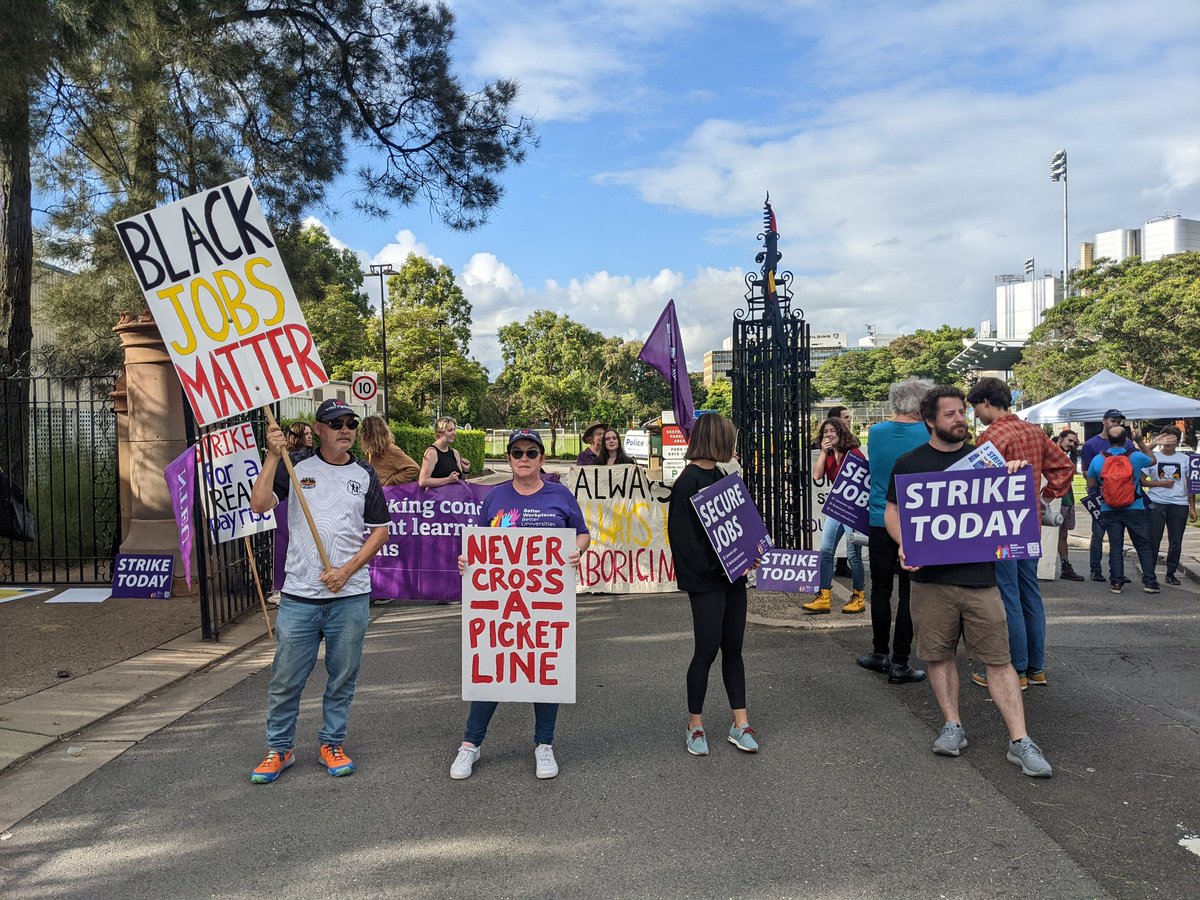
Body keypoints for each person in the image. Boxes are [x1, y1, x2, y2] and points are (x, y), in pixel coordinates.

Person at [886, 386, 1051, 778]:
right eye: (951, 414)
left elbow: (1011, 505)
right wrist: (904, 543)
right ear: (930, 420)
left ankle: (1020, 740)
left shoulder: (986, 460)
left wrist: (1013, 475)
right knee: (938, 655)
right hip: (930, 580)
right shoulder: (909, 463)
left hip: (981, 580)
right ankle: (952, 725)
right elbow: (893, 510)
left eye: (962, 412)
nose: (961, 419)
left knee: (999, 660)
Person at [247, 399, 390, 784]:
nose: (345, 429)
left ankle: (332, 743)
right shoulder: (295, 465)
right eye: (335, 423)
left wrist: (346, 572)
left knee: (343, 676)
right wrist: (272, 456)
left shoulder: (365, 473)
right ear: (319, 428)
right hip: (300, 596)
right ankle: (280, 748)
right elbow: (259, 504)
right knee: (286, 679)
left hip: (350, 596)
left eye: (350, 423)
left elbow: (380, 531)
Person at [449, 428, 591, 781]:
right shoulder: (495, 497)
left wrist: (578, 550)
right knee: (492, 666)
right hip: (501, 606)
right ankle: (471, 744)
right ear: (509, 458)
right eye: (517, 453)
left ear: (542, 458)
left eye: (531, 453)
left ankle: (544, 744)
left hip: (545, 603)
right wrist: (468, 561)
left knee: (546, 669)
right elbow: (479, 543)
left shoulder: (560, 494)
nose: (524, 459)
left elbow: (582, 532)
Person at [966, 377, 1073, 691]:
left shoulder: (991, 436)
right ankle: (1036, 667)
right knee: (1030, 593)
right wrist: (1045, 497)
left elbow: (976, 484)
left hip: (1000, 525)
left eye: (976, 407)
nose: (976, 414)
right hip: (1029, 524)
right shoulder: (1035, 431)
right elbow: (1064, 467)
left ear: (987, 402)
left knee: (1008, 595)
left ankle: (1016, 669)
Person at [667, 412, 761, 757]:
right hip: (707, 581)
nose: (733, 444)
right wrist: (720, 567)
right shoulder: (687, 482)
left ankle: (741, 723)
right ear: (717, 440)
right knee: (706, 651)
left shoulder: (721, 474)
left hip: (733, 577)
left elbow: (738, 525)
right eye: (729, 438)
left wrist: (751, 553)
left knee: (734, 649)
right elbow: (684, 543)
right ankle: (695, 724)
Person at [856, 377, 933, 685]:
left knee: (880, 589)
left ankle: (879, 652)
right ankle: (901, 661)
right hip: (915, 522)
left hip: (878, 518)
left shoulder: (876, 432)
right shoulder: (927, 433)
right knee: (908, 593)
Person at [802, 417, 867, 616]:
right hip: (837, 508)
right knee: (826, 550)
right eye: (825, 431)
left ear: (841, 432)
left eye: (832, 431)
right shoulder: (829, 454)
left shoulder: (854, 453)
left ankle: (858, 596)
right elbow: (817, 476)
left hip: (852, 509)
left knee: (853, 555)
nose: (829, 434)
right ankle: (824, 597)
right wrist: (823, 452)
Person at [1086, 425, 1159, 594]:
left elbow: (1091, 483)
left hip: (1109, 508)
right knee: (1143, 545)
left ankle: (1116, 583)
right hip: (1135, 506)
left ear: (1108, 440)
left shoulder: (1098, 459)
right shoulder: (1135, 457)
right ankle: (1150, 582)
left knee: (1115, 546)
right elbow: (1153, 460)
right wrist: (1140, 441)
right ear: (1126, 440)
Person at [1080, 410, 1136, 583]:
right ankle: (1095, 569)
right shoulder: (1091, 444)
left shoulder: (1127, 443)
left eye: (1119, 422)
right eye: (1113, 421)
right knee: (1098, 534)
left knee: (1117, 536)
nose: (1116, 424)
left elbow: (1134, 464)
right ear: (1104, 421)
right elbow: (1085, 472)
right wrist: (1104, 479)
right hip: (1099, 496)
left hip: (1122, 496)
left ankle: (1117, 571)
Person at [1143, 426, 1198, 586]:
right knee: (1153, 539)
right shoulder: (1153, 457)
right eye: (1165, 438)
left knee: (1176, 540)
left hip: (1179, 503)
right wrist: (1158, 483)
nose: (1168, 442)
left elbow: (1191, 485)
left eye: (1172, 439)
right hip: (1157, 501)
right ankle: (1149, 573)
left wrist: (1192, 507)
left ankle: (1171, 573)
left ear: (1178, 441)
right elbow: (1141, 480)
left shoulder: (1185, 459)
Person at [1052, 430, 1086, 581]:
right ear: (1060, 438)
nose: (1072, 444)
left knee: (1063, 534)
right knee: (1049, 534)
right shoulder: (1051, 454)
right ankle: (1041, 567)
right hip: (1054, 500)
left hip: (1067, 499)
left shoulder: (1068, 456)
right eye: (1070, 441)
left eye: (1075, 442)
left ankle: (1065, 566)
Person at [358, 416, 420, 486]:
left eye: (364, 430)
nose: (361, 432)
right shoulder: (369, 452)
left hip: (389, 491)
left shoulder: (392, 450)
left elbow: (414, 468)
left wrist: (392, 481)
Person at [419, 416, 472, 488]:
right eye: (450, 430)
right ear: (439, 433)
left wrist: (465, 471)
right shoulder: (432, 453)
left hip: (455, 494)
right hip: (438, 495)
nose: (454, 433)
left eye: (454, 430)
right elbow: (423, 481)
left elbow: (459, 480)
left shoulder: (455, 453)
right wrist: (448, 479)